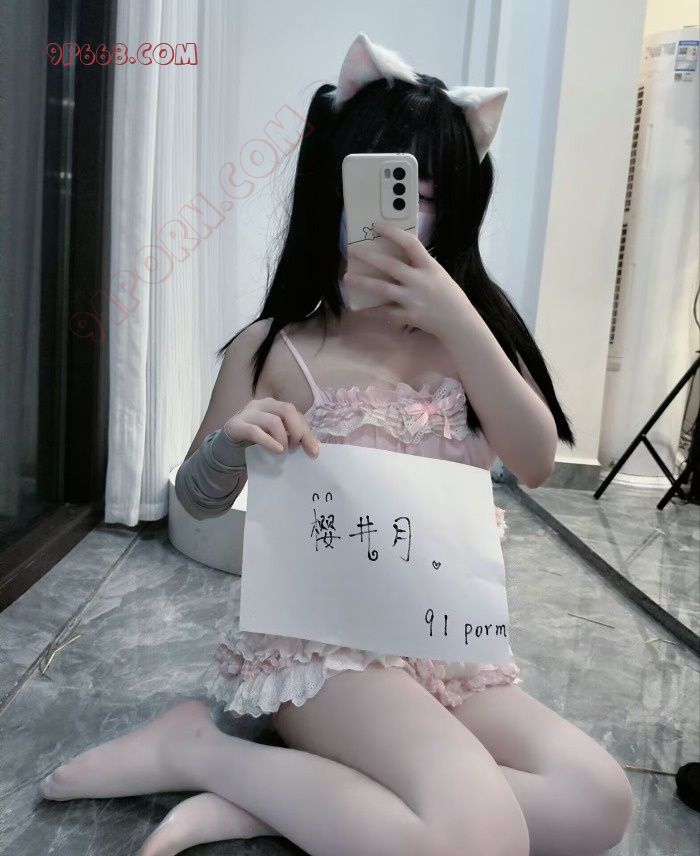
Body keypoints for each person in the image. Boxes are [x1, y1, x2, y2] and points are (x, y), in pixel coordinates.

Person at [38, 32, 634, 856]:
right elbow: (196, 501)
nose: (401, 217)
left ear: (461, 211)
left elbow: (534, 462)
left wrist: (458, 315)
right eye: (382, 189)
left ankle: (277, 798)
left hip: (443, 644)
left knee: (598, 801)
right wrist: (232, 446)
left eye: (428, 198)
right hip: (322, 654)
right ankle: (195, 748)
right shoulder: (277, 348)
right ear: (332, 190)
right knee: (478, 834)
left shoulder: (473, 345)